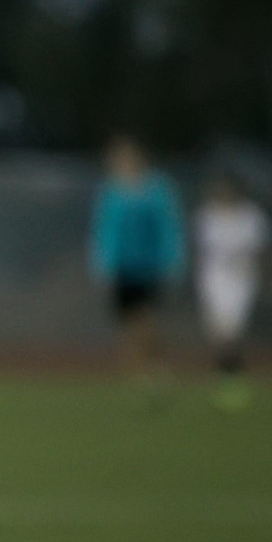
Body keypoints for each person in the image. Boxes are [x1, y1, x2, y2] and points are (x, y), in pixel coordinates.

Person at [90, 134, 183, 381]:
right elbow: (105, 230)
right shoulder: (112, 192)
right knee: (128, 321)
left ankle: (153, 366)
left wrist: (171, 259)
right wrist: (103, 263)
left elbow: (167, 227)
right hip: (122, 267)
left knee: (144, 318)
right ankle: (141, 372)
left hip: (149, 266)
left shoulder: (156, 189)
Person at [194, 170, 266, 409]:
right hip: (214, 280)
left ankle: (234, 381)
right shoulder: (206, 217)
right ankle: (226, 378)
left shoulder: (251, 217)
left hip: (241, 280)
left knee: (231, 334)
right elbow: (203, 253)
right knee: (217, 334)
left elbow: (257, 251)